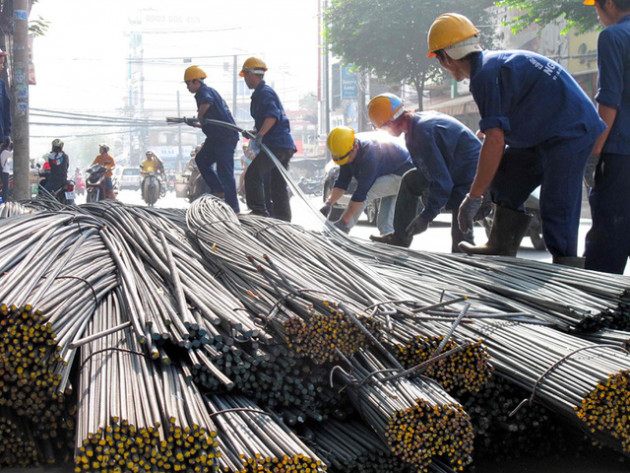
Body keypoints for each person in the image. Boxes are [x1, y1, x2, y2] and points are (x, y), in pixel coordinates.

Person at [427, 13, 606, 265]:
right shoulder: (491, 67)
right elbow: (503, 127)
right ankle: (500, 243)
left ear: (444, 57)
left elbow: (495, 142)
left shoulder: (485, 76)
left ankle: (566, 267)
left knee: (556, 204)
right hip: (545, 133)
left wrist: (474, 196)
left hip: (570, 132)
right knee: (504, 178)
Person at [367, 94, 482, 250]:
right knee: (411, 179)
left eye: (381, 127)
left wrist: (426, 217)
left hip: (471, 178)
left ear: (390, 122)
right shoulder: (416, 127)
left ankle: (469, 262)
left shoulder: (421, 133)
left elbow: (443, 183)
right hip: (457, 169)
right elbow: (431, 171)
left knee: (461, 242)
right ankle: (400, 237)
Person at [583, 0, 630, 274]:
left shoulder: (613, 37)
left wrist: (593, 154)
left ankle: (597, 311)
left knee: (607, 242)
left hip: (621, 156)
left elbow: (609, 103)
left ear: (609, 4)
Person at [321, 126, 413, 234]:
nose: (346, 162)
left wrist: (344, 222)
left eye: (347, 158)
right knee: (386, 219)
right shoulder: (346, 153)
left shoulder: (370, 155)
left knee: (368, 192)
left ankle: (343, 229)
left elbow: (362, 193)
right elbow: (342, 183)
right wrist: (328, 203)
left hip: (406, 174)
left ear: (355, 146)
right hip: (393, 173)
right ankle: (387, 237)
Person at [240, 57, 296, 222]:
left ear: (251, 74)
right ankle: (283, 220)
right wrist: (256, 132)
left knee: (253, 174)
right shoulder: (261, 93)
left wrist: (261, 135)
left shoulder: (264, 93)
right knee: (277, 185)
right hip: (283, 145)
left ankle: (258, 212)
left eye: (245, 75)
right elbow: (267, 119)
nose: (245, 80)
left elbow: (272, 116)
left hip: (276, 145)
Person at [184, 65, 240, 212]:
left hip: (225, 137)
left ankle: (233, 207)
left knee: (225, 171)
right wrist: (197, 123)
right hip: (215, 137)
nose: (187, 87)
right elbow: (208, 121)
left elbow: (207, 102)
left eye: (188, 83)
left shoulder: (204, 92)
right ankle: (218, 189)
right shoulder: (203, 93)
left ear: (196, 81)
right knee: (201, 159)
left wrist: (200, 117)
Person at [0, 48, 11, 141]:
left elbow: (6, 107)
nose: (2, 66)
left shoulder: (1, 84)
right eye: (0, 63)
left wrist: (6, 133)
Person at [0, 137, 12, 202]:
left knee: (5, 188)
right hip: (5, 172)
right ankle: (4, 201)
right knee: (5, 189)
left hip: (4, 172)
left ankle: (4, 200)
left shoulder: (3, 151)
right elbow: (14, 154)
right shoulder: (5, 152)